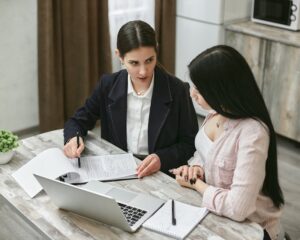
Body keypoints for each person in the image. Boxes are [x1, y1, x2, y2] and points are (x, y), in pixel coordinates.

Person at [170, 45, 285, 240]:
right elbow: (205, 153)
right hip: (216, 213)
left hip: (251, 228)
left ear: (220, 90)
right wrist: (198, 168)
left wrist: (195, 183)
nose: (192, 94)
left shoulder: (253, 132)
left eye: (199, 89)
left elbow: (238, 208)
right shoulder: (217, 111)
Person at [63, 20, 198, 178]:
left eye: (149, 60)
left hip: (161, 174)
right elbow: (78, 120)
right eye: (134, 63)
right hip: (117, 171)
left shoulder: (177, 90)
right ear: (119, 56)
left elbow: (190, 144)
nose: (143, 71)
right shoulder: (108, 85)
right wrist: (73, 138)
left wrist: (162, 158)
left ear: (157, 51)